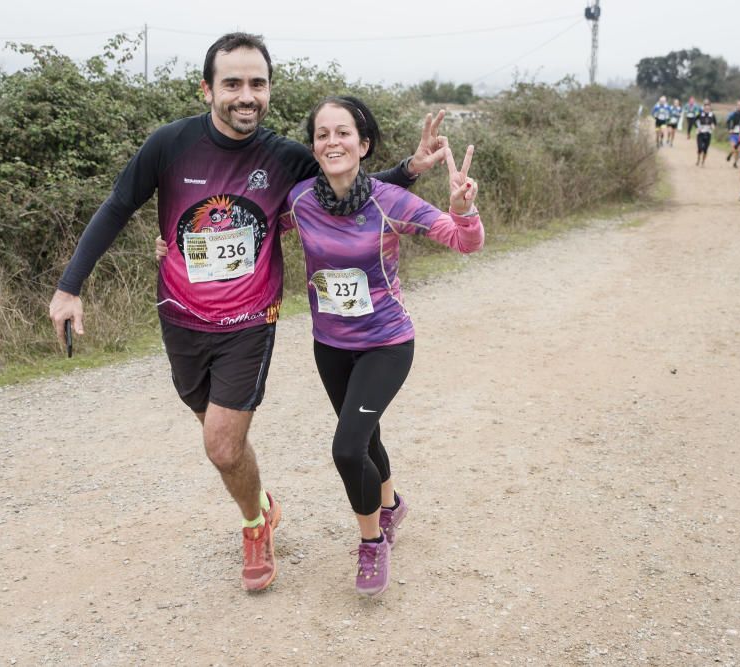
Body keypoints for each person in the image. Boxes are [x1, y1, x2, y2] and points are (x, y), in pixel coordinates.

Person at [47, 32, 448, 592]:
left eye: (257, 84)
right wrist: (70, 286)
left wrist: (409, 169)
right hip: (180, 317)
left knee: (221, 443)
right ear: (206, 89)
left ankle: (256, 524)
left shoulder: (284, 156)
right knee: (213, 429)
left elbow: (347, 188)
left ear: (268, 91)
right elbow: (117, 206)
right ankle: (263, 500)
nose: (246, 95)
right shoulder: (169, 145)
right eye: (232, 83)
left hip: (249, 322)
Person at [158, 97, 484, 595]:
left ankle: (371, 543)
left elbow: (465, 243)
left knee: (347, 447)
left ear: (363, 143)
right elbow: (246, 225)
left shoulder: (390, 202)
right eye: (323, 134)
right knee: (366, 435)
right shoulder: (300, 199)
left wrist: (464, 211)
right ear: (314, 146)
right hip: (329, 344)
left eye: (343, 133)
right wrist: (175, 241)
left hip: (386, 343)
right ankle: (391, 505)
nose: (332, 142)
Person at [694, 100, 716, 166]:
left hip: (708, 133)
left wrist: (713, 126)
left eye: (708, 106)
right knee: (700, 148)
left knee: (705, 149)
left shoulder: (712, 114)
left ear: (710, 107)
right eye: (705, 106)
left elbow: (715, 123)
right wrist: (697, 127)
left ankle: (703, 162)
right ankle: (698, 159)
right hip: (700, 133)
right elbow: (695, 121)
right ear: (703, 107)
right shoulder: (700, 113)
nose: (707, 108)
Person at [725, 100, 740, 167]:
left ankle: (735, 163)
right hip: (733, 134)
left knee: (738, 150)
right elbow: (727, 121)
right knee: (734, 148)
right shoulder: (733, 114)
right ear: (737, 106)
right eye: (739, 105)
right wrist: (729, 129)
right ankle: (731, 153)